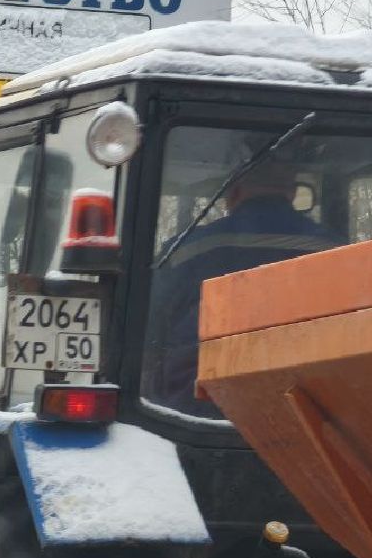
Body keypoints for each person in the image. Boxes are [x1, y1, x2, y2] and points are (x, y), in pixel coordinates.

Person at [147, 155, 346, 412]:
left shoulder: (183, 251)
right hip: (306, 403)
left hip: (198, 400)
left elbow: (151, 329)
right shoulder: (338, 251)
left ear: (234, 192)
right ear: (293, 193)